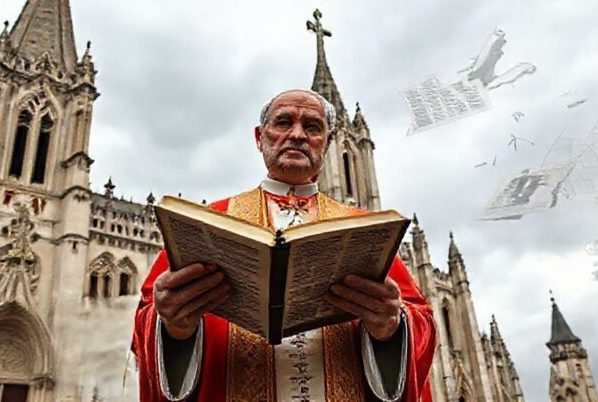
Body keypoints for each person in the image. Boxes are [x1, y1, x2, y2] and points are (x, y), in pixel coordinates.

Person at [133, 89, 436, 402]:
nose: (297, 135)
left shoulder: (367, 231)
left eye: (312, 127)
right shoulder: (207, 225)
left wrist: (391, 327)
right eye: (283, 123)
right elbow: (149, 317)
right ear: (259, 137)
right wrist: (174, 326)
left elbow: (418, 320)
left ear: (328, 143)